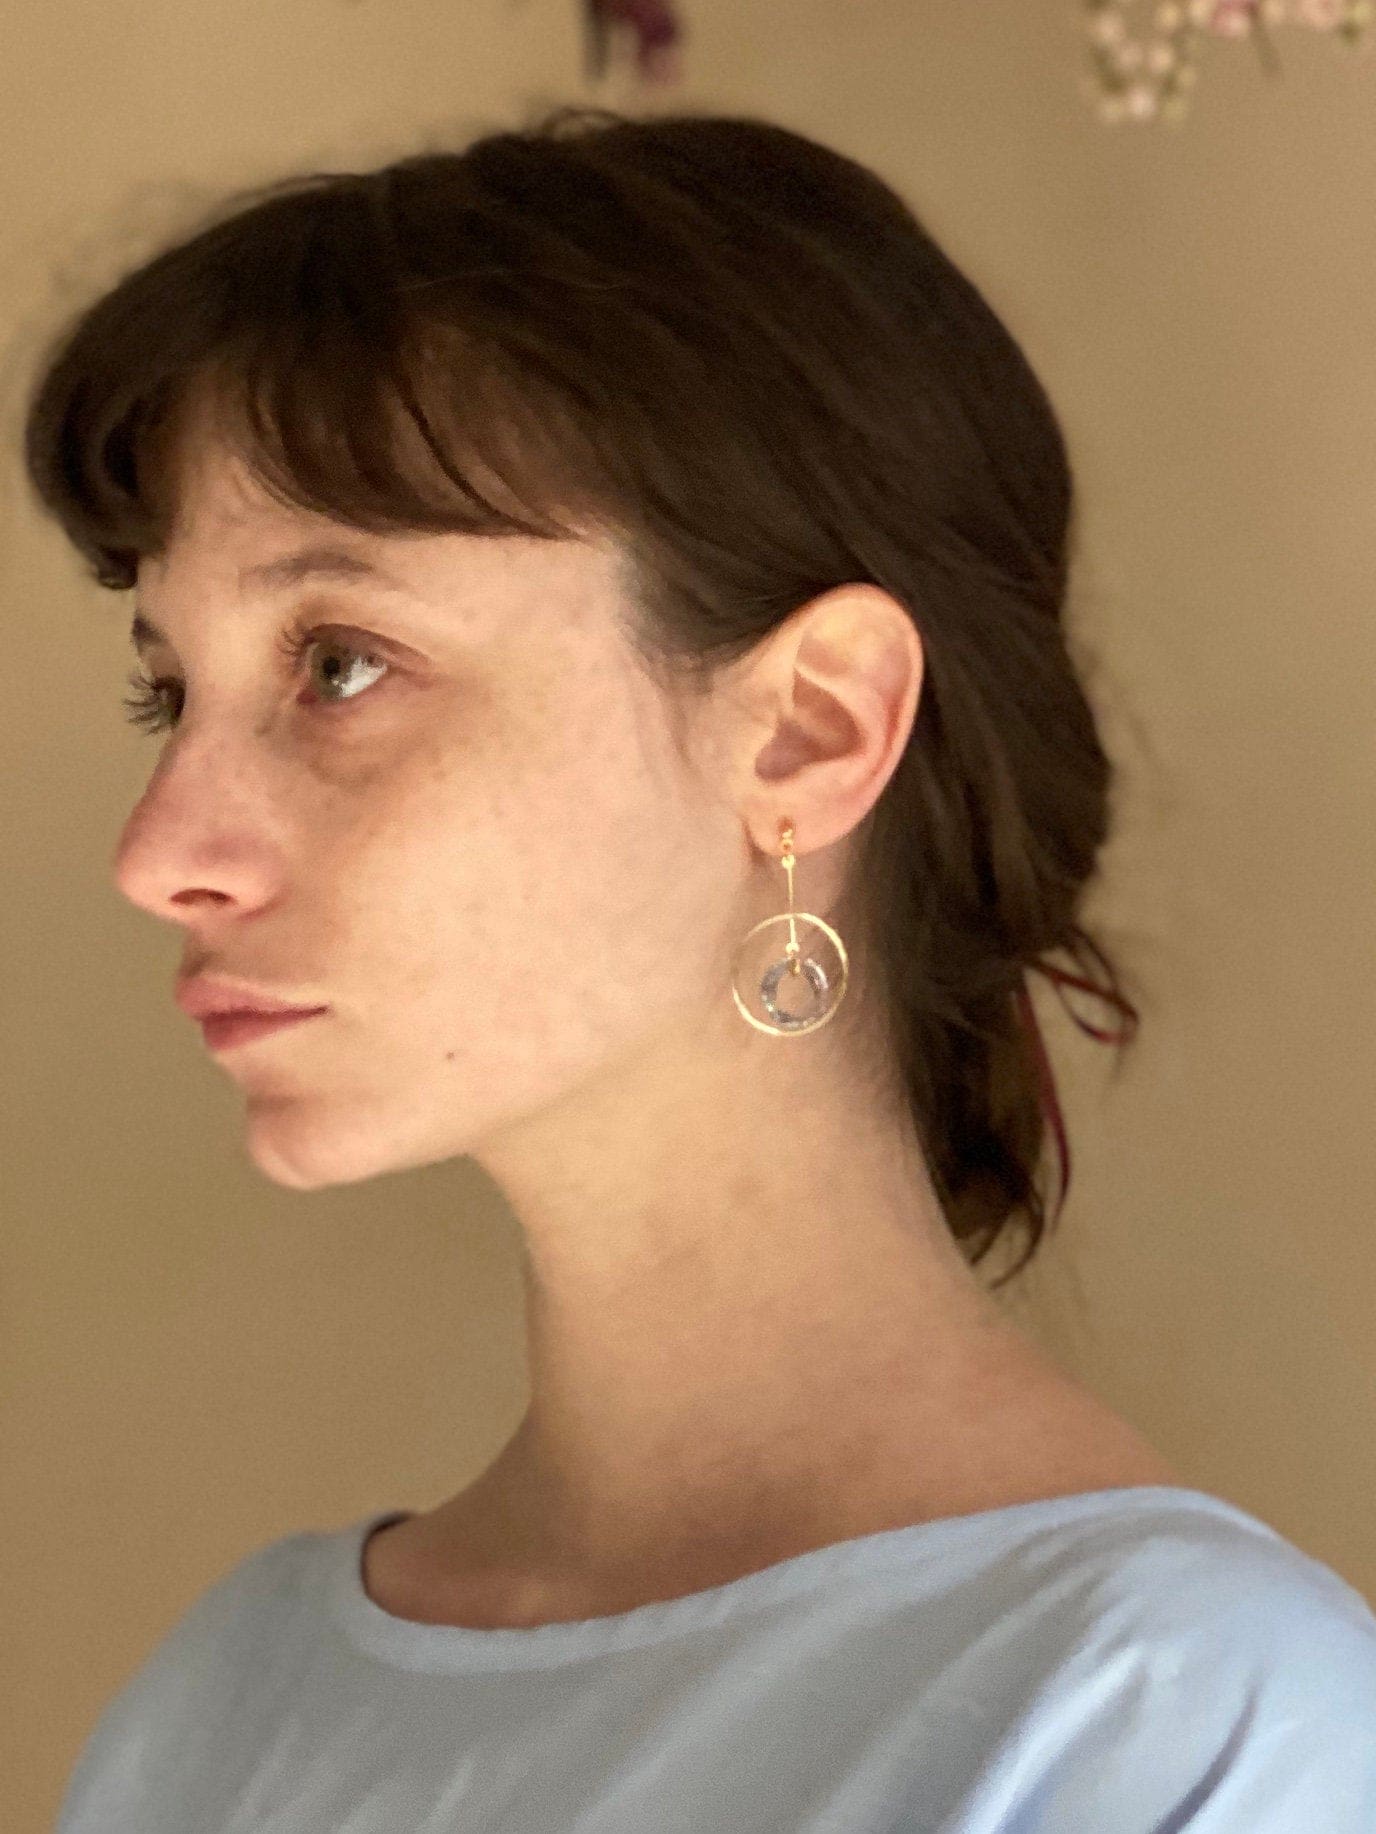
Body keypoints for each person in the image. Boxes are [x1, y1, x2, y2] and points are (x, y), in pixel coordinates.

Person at [25, 106, 1376, 1833]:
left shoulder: (1183, 1732)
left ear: (810, 730)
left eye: (343, 664)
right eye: (171, 692)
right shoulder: (215, 1713)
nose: (159, 850)